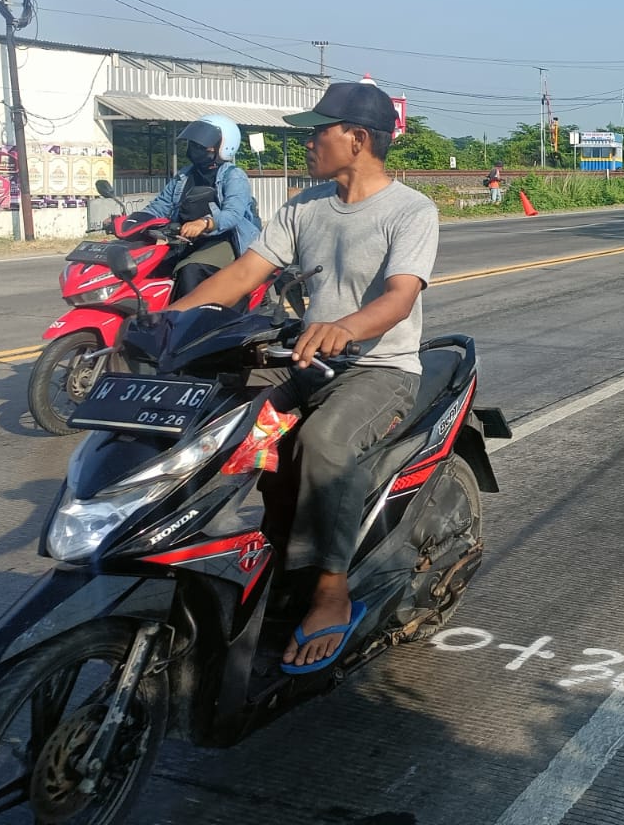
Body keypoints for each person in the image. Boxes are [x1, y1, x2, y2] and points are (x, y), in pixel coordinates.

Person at [166, 82, 438, 675]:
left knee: (324, 444)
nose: (309, 141)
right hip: (306, 362)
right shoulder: (303, 205)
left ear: (358, 139)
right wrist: (166, 323)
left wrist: (344, 326)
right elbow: (243, 273)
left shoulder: (411, 211)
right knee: (227, 428)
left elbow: (398, 299)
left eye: (319, 131)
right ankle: (272, 548)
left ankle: (330, 590)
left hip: (379, 369)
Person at [143, 114, 262, 298]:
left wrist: (204, 223)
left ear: (224, 146)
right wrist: (134, 220)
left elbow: (233, 214)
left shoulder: (234, 175)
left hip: (224, 241)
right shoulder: (184, 175)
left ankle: (190, 323)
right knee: (148, 270)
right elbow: (161, 205)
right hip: (182, 240)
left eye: (202, 145)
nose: (195, 149)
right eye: (193, 144)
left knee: (191, 270)